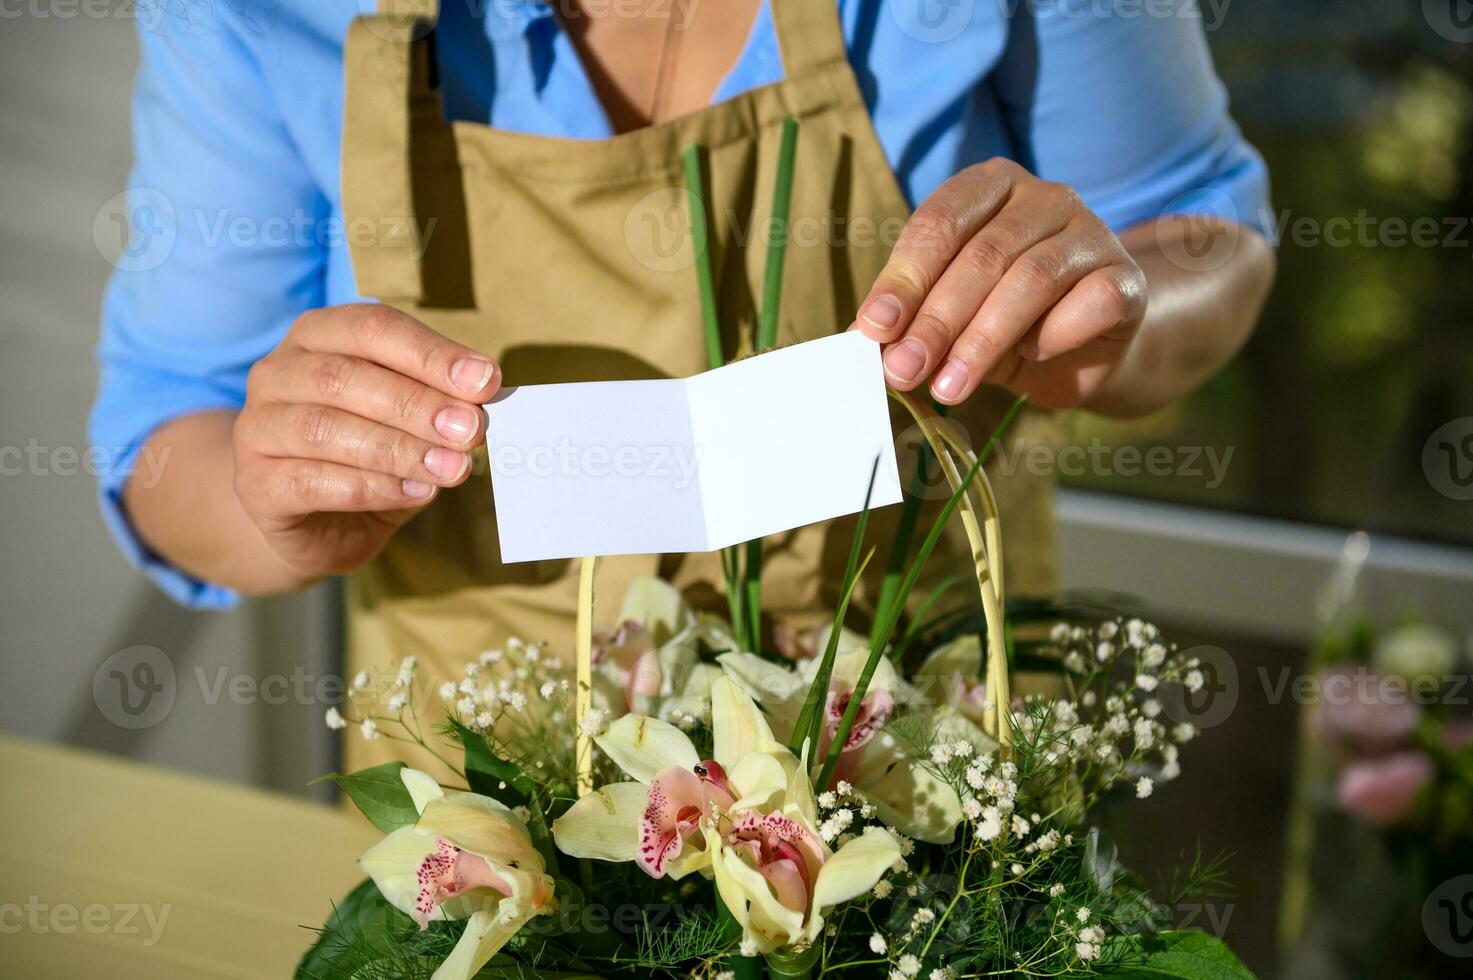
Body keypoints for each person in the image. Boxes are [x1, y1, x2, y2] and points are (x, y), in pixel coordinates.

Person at [91, 0, 1274, 775]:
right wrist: (271, 495)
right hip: (491, 840)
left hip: (929, 792)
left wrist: (1112, 313)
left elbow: (1211, 232)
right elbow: (164, 424)